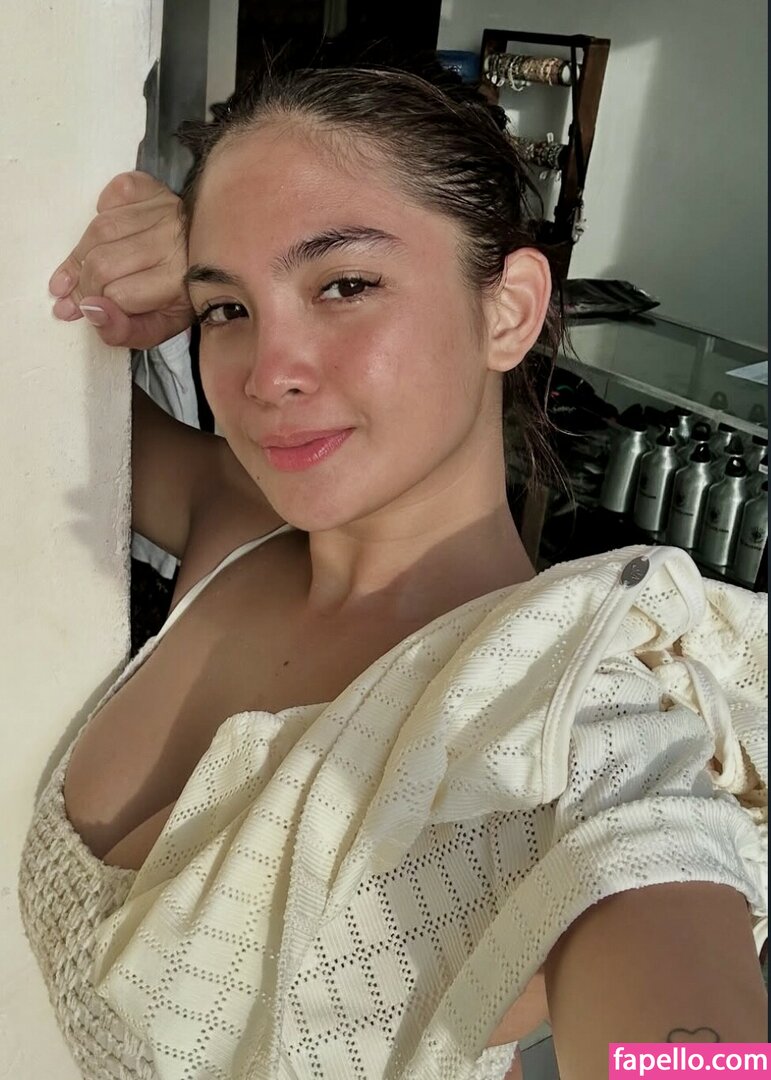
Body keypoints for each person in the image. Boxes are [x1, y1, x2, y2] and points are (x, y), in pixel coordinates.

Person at [20, 55, 767, 1080]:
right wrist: (90, 258)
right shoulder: (234, 524)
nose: (268, 373)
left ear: (507, 310)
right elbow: (32, 388)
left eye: (345, 285)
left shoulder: (573, 735)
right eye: (228, 308)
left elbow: (676, 989)